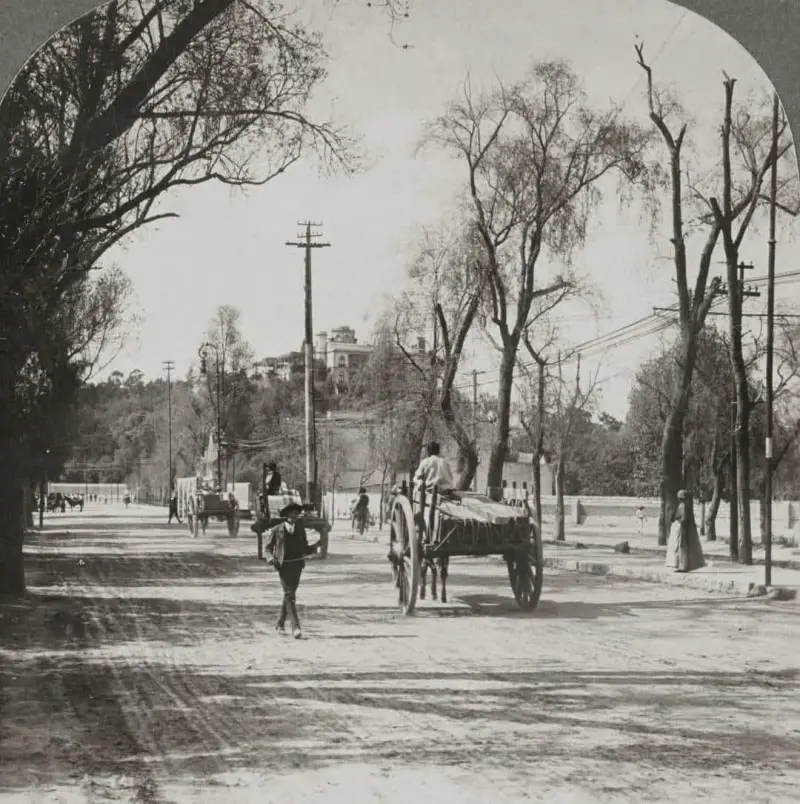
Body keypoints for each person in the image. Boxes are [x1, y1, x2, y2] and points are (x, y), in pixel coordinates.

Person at [265, 502, 318, 639]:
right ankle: (296, 627)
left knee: (289, 594)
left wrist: (315, 547)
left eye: (297, 514)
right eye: (293, 513)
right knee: (289, 595)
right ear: (287, 515)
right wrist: (270, 558)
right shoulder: (277, 529)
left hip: (297, 565)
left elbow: (304, 548)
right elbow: (268, 548)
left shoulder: (300, 530)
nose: (295, 516)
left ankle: (280, 623)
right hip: (283, 565)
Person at [665, 490, 706, 572]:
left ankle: (683, 566)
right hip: (683, 527)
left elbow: (681, 518)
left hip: (681, 527)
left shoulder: (682, 506)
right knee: (683, 546)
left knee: (681, 546)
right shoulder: (687, 506)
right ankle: (683, 565)